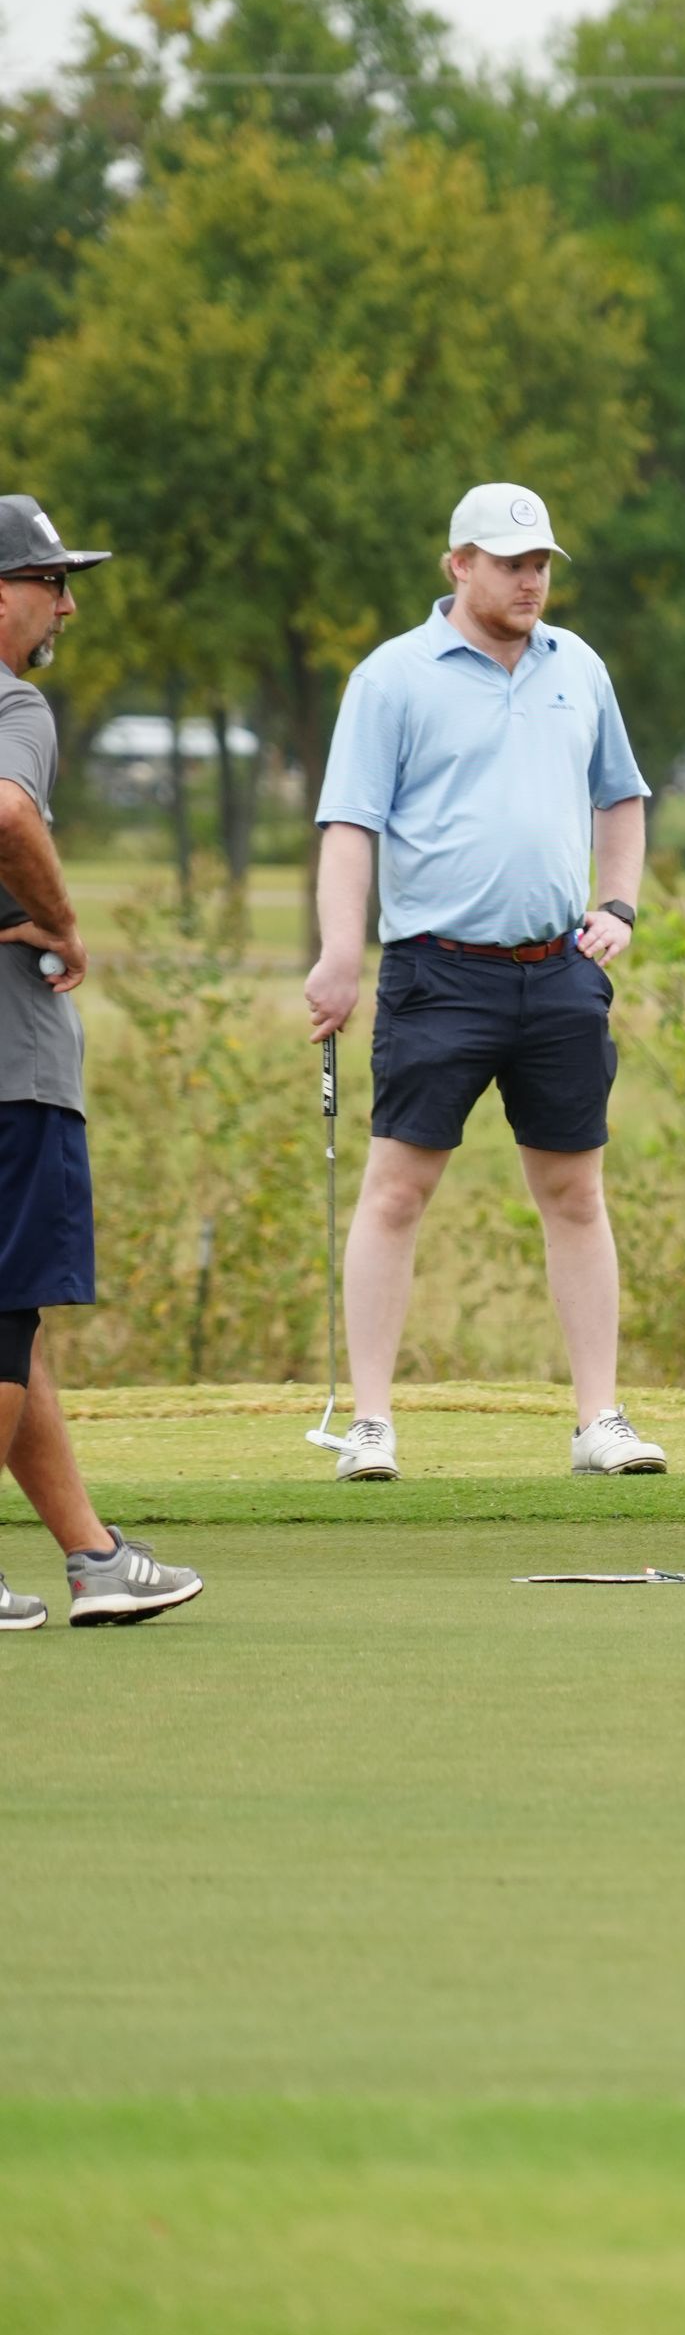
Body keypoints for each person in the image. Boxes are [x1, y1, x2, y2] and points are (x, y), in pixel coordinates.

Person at [304, 483, 664, 1482]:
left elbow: (622, 800)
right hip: (437, 973)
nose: (531, 580)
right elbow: (349, 828)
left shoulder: (577, 666)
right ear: (458, 564)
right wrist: (341, 953)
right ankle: (370, 1422)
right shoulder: (394, 677)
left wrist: (620, 905)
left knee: (575, 1195)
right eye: (511, 563)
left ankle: (600, 1419)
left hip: (558, 971)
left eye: (541, 562)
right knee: (397, 1194)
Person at [0, 495, 204, 1627]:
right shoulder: (12, 700)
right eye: (49, 581)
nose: (66, 603)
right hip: (12, 1065)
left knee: (14, 1325)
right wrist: (67, 923)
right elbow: (9, 815)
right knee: (8, 1315)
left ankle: (93, 1557)